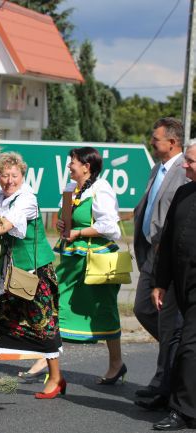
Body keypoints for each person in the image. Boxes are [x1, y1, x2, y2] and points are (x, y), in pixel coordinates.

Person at [0, 152, 64, 398]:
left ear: (22, 175)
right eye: (4, 175)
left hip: (35, 271)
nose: (9, 181)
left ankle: (55, 377)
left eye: (14, 175)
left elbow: (7, 224)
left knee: (42, 324)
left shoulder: (27, 199)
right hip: (10, 273)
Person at [55, 147, 126, 384]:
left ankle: (116, 363)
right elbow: (67, 220)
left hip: (96, 260)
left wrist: (79, 231)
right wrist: (63, 228)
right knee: (59, 307)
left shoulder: (101, 189)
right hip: (73, 260)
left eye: (73, 162)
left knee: (103, 310)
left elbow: (111, 227)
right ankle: (49, 363)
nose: (69, 166)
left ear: (87, 166)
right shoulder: (69, 189)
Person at [133, 118, 188, 410]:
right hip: (150, 252)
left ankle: (163, 382)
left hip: (165, 254)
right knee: (143, 309)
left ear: (172, 142)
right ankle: (178, 355)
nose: (152, 142)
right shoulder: (158, 168)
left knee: (168, 321)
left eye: (156, 139)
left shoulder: (184, 169)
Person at [150, 143, 196, 431]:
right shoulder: (184, 192)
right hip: (181, 282)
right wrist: (160, 282)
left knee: (189, 347)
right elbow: (168, 243)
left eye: (190, 161)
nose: (184, 165)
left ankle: (183, 410)